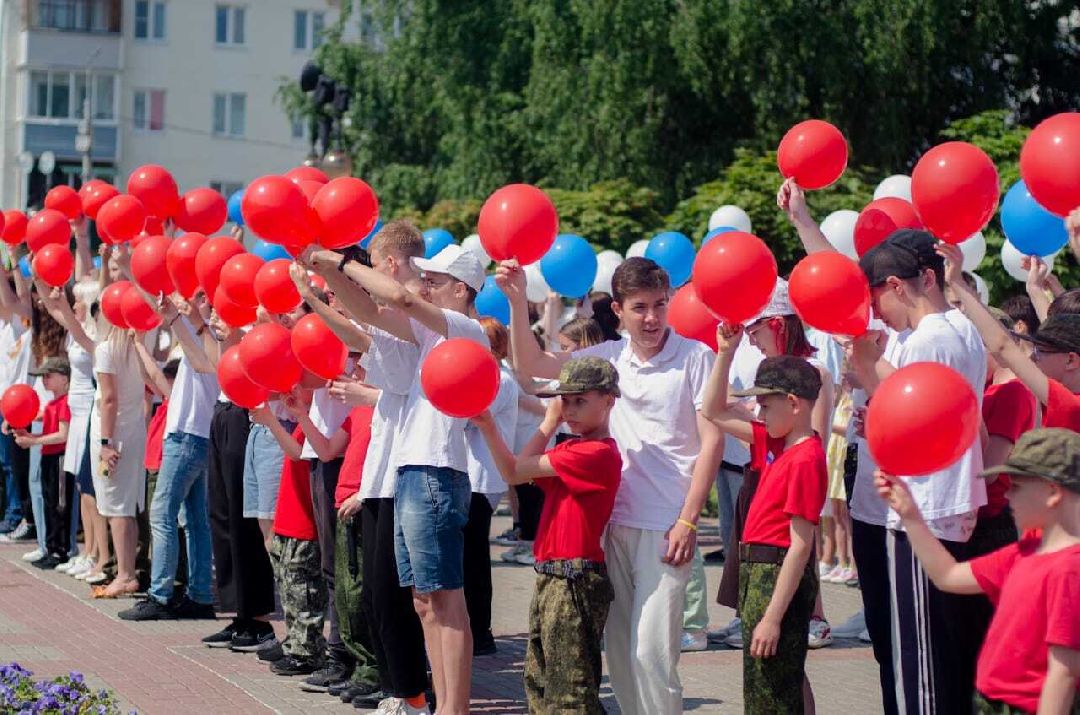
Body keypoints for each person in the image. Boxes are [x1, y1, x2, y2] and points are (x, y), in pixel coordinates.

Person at [498, 256, 724, 715]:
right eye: (640, 307)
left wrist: (689, 518)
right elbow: (534, 365)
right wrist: (519, 301)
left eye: (661, 304)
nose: (653, 318)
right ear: (618, 310)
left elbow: (712, 440)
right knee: (620, 652)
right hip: (610, 524)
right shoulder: (606, 359)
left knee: (653, 652)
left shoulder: (696, 357)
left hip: (666, 525)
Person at [306, 238, 489, 715]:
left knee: (445, 599)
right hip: (413, 470)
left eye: (437, 280)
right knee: (425, 602)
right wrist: (329, 279)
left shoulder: (466, 330)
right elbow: (367, 316)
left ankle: (455, 708)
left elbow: (400, 298)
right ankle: (441, 703)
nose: (425, 284)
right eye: (425, 277)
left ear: (463, 289)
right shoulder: (429, 336)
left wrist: (342, 261)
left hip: (436, 471)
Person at [848, 230, 988, 714]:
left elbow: (913, 419)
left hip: (923, 510)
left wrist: (867, 368)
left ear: (897, 284)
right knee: (939, 661)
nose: (878, 312)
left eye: (877, 298)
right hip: (941, 505)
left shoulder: (932, 337)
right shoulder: (960, 327)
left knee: (920, 668)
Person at [306, 224, 429, 712]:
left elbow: (381, 304)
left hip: (412, 469)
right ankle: (402, 690)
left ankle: (413, 691)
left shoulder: (425, 316)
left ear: (392, 264)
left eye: (375, 266)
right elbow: (358, 323)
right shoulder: (391, 320)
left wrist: (337, 263)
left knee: (409, 596)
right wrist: (317, 285)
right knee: (380, 593)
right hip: (382, 468)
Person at [875, 428, 1080, 714]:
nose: (1007, 494)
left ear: (1053, 492)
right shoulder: (1025, 552)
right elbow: (948, 576)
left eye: (1017, 486)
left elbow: (1064, 674)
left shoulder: (1069, 569)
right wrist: (910, 514)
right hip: (991, 703)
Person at [473, 357, 622, 713]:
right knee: (540, 680)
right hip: (553, 575)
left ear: (609, 401)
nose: (569, 409)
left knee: (569, 690)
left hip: (574, 579)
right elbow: (518, 470)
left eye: (580, 400)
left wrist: (497, 425)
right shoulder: (570, 448)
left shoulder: (595, 453)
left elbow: (513, 470)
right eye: (564, 400)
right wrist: (549, 421)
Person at [702, 326, 828, 715]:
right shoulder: (775, 442)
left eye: (765, 405)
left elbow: (801, 544)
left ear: (793, 403)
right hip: (759, 572)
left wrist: (773, 618)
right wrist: (725, 353)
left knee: (772, 693)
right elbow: (713, 410)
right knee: (768, 683)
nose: (759, 413)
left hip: (776, 573)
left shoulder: (806, 457)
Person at [121, 292, 218, 622]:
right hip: (189, 434)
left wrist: (176, 318)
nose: (194, 302)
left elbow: (202, 359)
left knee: (162, 514)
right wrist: (139, 345)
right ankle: (200, 594)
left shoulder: (213, 338)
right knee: (193, 520)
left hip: (190, 436)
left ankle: (160, 595)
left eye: (202, 298)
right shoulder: (196, 336)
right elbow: (167, 385)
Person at [251, 390, 327, 676]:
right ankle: (295, 643)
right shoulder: (305, 422)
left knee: (303, 589)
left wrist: (271, 420)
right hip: (290, 515)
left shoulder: (315, 422)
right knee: (289, 585)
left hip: (303, 521)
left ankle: (307, 651)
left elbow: (297, 454)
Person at [464, 317, 518, 654]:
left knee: (474, 558)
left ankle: (481, 631)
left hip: (482, 478)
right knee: (471, 556)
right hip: (472, 474)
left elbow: (471, 413)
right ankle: (476, 628)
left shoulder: (502, 379)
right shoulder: (491, 375)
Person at [88, 322, 147, 599]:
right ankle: (128, 571)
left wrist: (105, 443)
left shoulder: (108, 349)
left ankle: (125, 574)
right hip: (132, 431)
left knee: (116, 507)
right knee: (126, 506)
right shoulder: (133, 348)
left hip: (115, 436)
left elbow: (109, 398)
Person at [14, 357, 71, 569]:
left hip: (59, 458)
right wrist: (20, 427)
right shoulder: (52, 404)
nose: (44, 381)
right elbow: (39, 419)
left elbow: (63, 435)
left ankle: (60, 550)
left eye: (49, 376)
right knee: (48, 503)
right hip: (49, 456)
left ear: (64, 378)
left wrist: (34, 440)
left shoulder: (65, 403)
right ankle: (50, 546)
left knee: (59, 505)